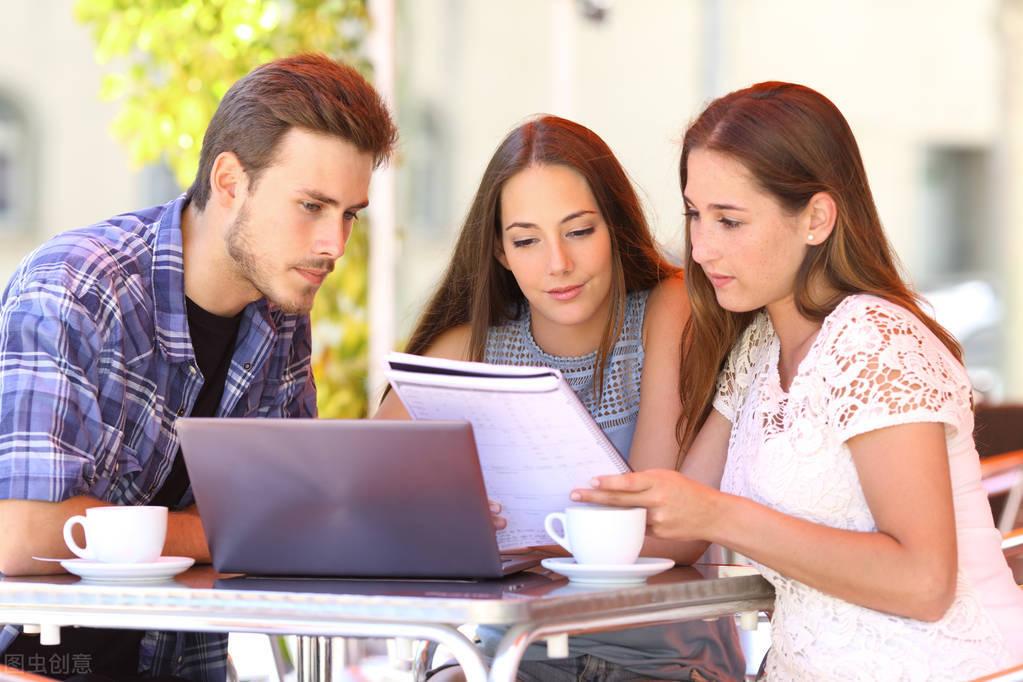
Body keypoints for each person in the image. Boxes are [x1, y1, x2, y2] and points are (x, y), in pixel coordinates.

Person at [574, 81, 1023, 680]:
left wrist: (720, 516)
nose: (701, 249)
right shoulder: (760, 348)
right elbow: (680, 530)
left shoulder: (875, 341)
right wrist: (526, 524)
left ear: (815, 218)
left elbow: (924, 582)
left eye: (730, 221)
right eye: (695, 215)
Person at [0, 53, 396, 682]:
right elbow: (23, 537)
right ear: (230, 181)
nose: (334, 245)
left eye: (348, 214)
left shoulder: (279, 309)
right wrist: (226, 531)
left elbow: (296, 515)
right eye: (312, 207)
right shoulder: (76, 289)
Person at [377, 116, 745, 682]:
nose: (558, 264)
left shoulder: (670, 311)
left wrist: (507, 548)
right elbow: (367, 508)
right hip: (512, 661)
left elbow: (659, 533)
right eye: (526, 240)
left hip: (662, 663)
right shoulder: (466, 348)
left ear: (614, 227)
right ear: (500, 251)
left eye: (578, 231)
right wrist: (443, 529)